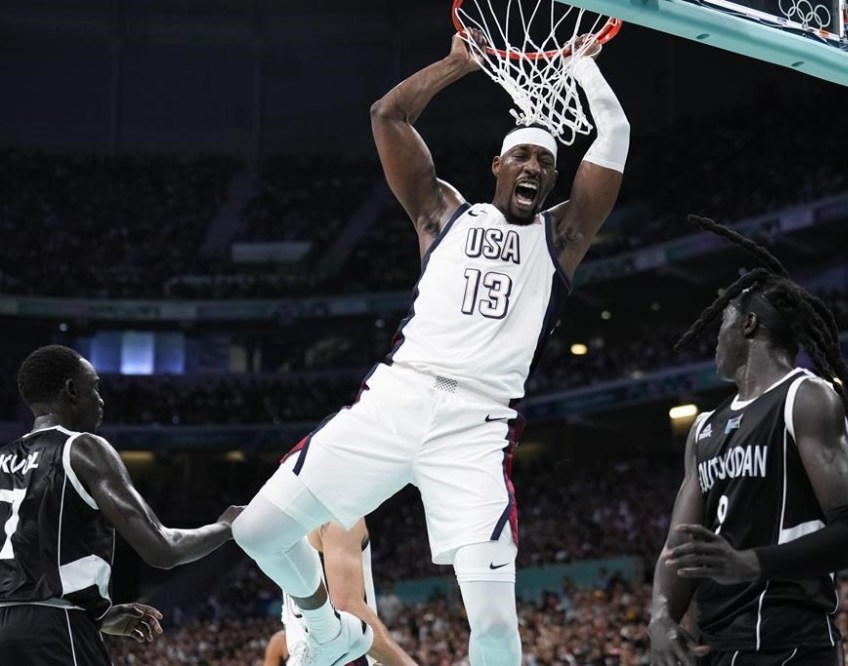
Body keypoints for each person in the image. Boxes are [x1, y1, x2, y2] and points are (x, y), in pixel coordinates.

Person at [232, 30, 628, 666]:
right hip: (398, 396)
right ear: (497, 166)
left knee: (497, 629)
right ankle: (328, 629)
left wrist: (586, 71)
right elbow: (386, 115)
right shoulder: (442, 213)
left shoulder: (562, 235)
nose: (534, 166)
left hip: (477, 427)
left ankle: (336, 632)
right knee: (255, 532)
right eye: (522, 156)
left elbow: (612, 139)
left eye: (545, 162)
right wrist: (456, 64)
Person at [648, 216, 848, 666]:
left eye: (724, 320)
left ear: (749, 324)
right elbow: (680, 546)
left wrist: (752, 562)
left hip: (789, 641)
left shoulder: (805, 398)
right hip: (716, 644)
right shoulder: (704, 428)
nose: (715, 335)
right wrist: (660, 617)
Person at [0, 345, 242, 665]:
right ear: (72, 390)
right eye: (95, 386)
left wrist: (99, 614)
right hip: (56, 633)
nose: (100, 399)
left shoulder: (2, 458)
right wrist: (225, 527)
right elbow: (163, 549)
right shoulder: (83, 448)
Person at [266, 516, 417, 666]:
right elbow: (346, 606)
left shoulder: (285, 533)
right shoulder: (339, 518)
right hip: (346, 656)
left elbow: (292, 621)